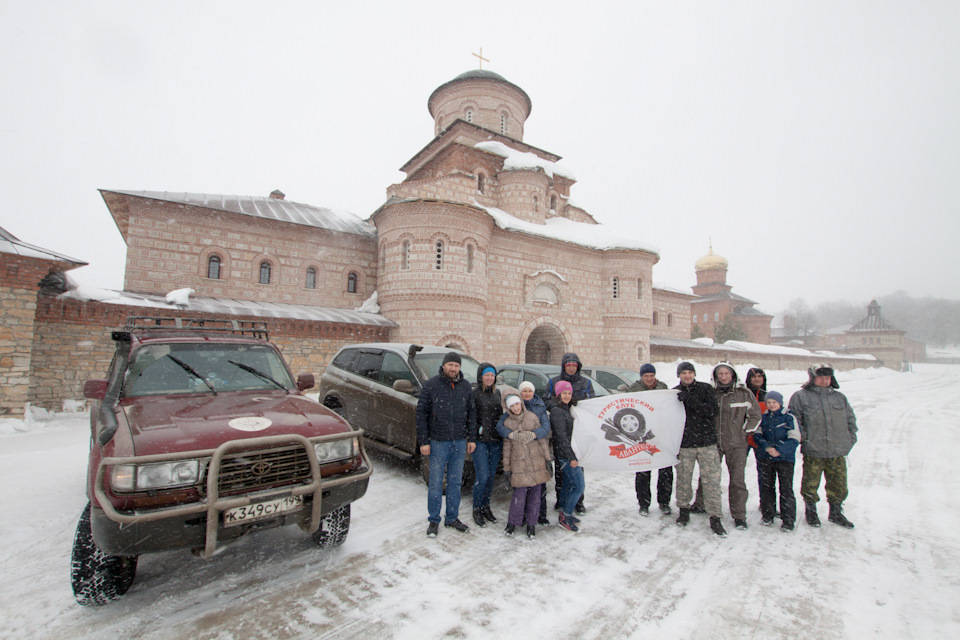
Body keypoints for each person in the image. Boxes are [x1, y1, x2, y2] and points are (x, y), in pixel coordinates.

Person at [415, 352, 477, 537]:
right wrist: (423, 441)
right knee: (435, 483)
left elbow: (472, 413)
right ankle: (434, 520)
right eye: (450, 365)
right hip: (437, 442)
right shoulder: (431, 385)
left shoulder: (465, 386)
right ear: (443, 366)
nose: (453, 368)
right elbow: (421, 415)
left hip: (459, 442)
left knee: (455, 482)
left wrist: (471, 438)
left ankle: (452, 517)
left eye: (456, 366)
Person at [788, 364, 857, 529]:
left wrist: (849, 440)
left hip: (837, 451)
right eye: (821, 377)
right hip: (814, 451)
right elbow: (795, 422)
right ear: (812, 378)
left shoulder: (839, 398)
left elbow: (850, 420)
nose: (825, 381)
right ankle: (811, 511)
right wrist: (805, 439)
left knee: (839, 485)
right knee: (810, 484)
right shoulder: (801, 397)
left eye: (828, 378)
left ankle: (836, 512)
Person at [673, 362, 726, 537]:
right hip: (685, 444)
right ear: (679, 375)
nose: (687, 376)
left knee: (711, 481)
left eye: (690, 372)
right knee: (683, 479)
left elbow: (711, 411)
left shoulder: (705, 389)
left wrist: (691, 400)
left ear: (694, 374)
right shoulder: (674, 393)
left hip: (706, 443)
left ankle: (715, 516)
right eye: (683, 373)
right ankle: (683, 510)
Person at [709, 362, 762, 531]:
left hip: (737, 444)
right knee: (710, 478)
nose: (723, 377)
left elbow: (755, 415)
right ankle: (706, 507)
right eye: (720, 374)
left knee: (737, 481)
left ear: (732, 375)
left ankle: (739, 515)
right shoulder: (711, 393)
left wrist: (744, 431)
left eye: (726, 373)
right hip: (715, 443)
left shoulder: (743, 393)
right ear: (716, 376)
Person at [495, 381, 551, 525]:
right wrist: (510, 434)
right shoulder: (511, 412)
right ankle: (519, 519)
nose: (527, 394)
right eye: (524, 391)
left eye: (529, 391)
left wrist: (534, 434)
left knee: (538, 491)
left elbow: (545, 427)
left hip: (535, 455)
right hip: (520, 459)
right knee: (521, 492)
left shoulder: (538, 407)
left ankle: (539, 516)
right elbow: (500, 426)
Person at [545, 352, 595, 514]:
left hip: (578, 432)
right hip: (561, 430)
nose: (571, 368)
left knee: (578, 469)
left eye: (574, 365)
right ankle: (561, 500)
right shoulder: (554, 382)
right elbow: (546, 399)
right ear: (564, 367)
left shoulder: (586, 383)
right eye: (568, 365)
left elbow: (592, 404)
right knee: (561, 471)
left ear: (578, 367)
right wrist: (556, 408)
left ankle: (579, 502)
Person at [625, 363, 673, 516]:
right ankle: (644, 503)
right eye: (646, 376)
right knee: (643, 471)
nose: (649, 379)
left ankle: (664, 502)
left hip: (661, 432)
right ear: (641, 376)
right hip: (642, 435)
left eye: (651, 376)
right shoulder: (634, 389)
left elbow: (670, 406)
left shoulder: (663, 387)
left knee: (665, 470)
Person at [754, 391, 801, 531]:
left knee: (786, 489)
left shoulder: (789, 417)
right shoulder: (764, 417)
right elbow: (758, 435)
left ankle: (788, 520)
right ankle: (768, 514)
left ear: (780, 402)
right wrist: (767, 447)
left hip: (785, 459)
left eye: (774, 402)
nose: (771, 405)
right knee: (767, 487)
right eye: (769, 402)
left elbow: (794, 438)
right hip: (766, 457)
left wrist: (779, 450)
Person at [549, 381, 584, 532]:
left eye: (569, 393)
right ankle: (566, 515)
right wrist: (571, 457)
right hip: (566, 455)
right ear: (558, 394)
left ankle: (563, 512)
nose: (567, 396)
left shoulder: (568, 409)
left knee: (569, 485)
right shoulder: (557, 411)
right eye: (564, 393)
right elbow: (562, 438)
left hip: (570, 453)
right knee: (579, 486)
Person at [471, 363, 502, 528]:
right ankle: (476, 508)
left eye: (492, 375)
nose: (490, 378)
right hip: (481, 441)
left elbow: (500, 416)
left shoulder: (497, 393)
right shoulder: (475, 394)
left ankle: (486, 506)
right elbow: (470, 417)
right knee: (482, 476)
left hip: (496, 441)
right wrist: (476, 433)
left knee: (490, 477)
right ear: (480, 376)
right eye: (486, 375)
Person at [745, 367, 768, 506]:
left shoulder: (768, 396)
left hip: (762, 439)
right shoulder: (743, 394)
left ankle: (766, 504)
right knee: (737, 474)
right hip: (744, 437)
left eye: (760, 376)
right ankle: (738, 506)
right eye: (754, 377)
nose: (757, 379)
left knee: (765, 474)